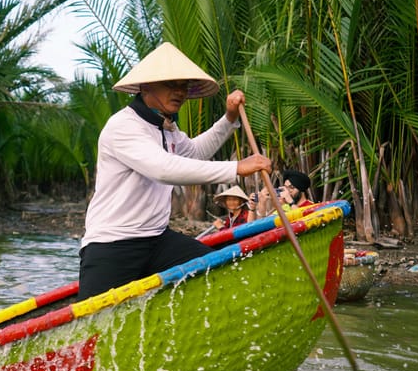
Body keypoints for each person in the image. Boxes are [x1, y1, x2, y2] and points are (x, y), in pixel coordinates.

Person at [78, 42, 272, 299]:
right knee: (92, 326)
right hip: (113, 245)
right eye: (171, 84)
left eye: (183, 86)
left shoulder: (166, 127)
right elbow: (163, 169)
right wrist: (236, 168)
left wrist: (229, 118)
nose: (179, 92)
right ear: (146, 86)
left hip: (157, 240)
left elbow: (194, 153)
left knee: (222, 271)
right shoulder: (123, 126)